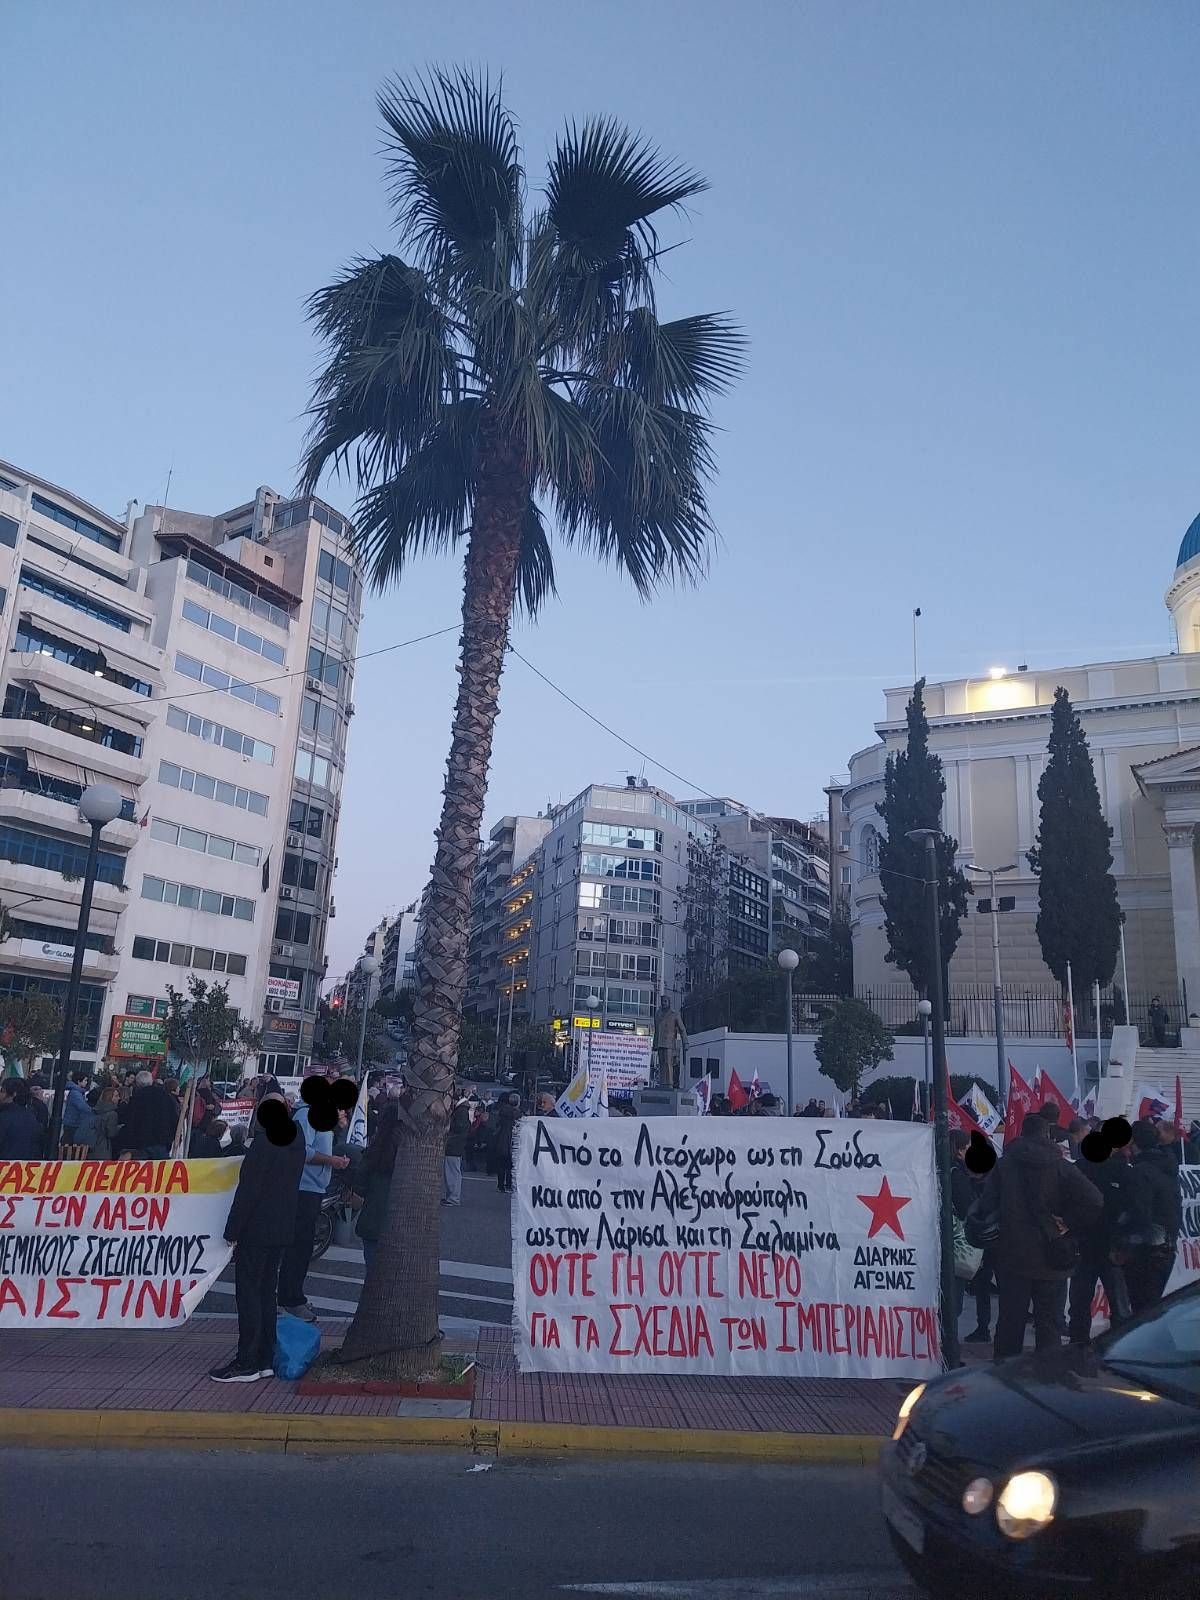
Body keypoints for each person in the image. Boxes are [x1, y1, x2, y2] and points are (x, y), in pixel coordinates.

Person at [981, 1108, 1102, 1359]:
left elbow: (986, 1206)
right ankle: (1047, 1375)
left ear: (1022, 1134)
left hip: (1012, 1254)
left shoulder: (1003, 1166)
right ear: (1047, 1134)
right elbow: (1094, 1199)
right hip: (1052, 1254)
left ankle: (1005, 1373)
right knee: (1049, 1325)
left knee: (1010, 1321)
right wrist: (1068, 1222)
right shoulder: (1060, 1166)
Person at [209, 1093, 305, 1383]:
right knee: (266, 1293)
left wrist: (232, 1230)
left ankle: (247, 1361)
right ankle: (265, 1358)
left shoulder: (263, 1145)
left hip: (257, 1229)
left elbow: (248, 1191)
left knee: (249, 1293)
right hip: (282, 1227)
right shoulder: (296, 1138)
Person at [276, 1092, 349, 1322]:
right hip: (304, 1188)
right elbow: (302, 1150)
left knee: (304, 1246)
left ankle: (293, 1294)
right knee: (299, 1246)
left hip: (313, 1187)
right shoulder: (306, 1116)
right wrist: (331, 1161)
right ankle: (291, 1298)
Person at [1068, 1129, 1132, 1342]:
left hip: (1093, 1245)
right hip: (1102, 1246)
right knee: (1118, 1306)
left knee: (1082, 1303)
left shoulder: (1079, 1170)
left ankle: (1079, 1345)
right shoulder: (1120, 1170)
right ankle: (1116, 1345)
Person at [1122, 1118, 1182, 1314]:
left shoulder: (1141, 1172)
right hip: (1167, 1246)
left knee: (1143, 1312)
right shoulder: (1168, 1165)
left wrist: (1121, 1241)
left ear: (1134, 1142)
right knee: (1152, 1310)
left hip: (1146, 1251)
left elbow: (1139, 1213)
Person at [354, 1101, 402, 1270]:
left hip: (373, 1219)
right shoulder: (409, 1154)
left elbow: (359, 1186)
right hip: (401, 1223)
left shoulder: (375, 1152)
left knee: (373, 1272)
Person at [116, 1070, 181, 1157]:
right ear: (151, 1081)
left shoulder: (137, 1098)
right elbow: (174, 1118)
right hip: (162, 1141)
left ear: (137, 1083)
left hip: (141, 1142)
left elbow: (130, 1120)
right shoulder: (165, 1096)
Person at [0, 1079, 43, 1158]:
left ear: (13, 1094)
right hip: (25, 1164)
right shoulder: (32, 1118)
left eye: (2, 1091)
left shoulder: (4, 1117)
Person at [443, 1090, 471, 1207]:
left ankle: (453, 1197)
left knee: (452, 1172)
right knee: (453, 1171)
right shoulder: (463, 1111)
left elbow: (459, 1127)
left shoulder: (461, 1112)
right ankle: (452, 1196)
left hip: (454, 1145)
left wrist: (448, 1129)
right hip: (456, 1145)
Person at [62, 1071, 98, 1152]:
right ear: (79, 1081)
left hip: (72, 1121)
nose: (86, 1082)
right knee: (69, 1146)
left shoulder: (78, 1092)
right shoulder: (76, 1093)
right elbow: (82, 1107)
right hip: (72, 1123)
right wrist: (93, 1111)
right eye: (85, 1080)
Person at [494, 1093, 521, 1193]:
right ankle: (509, 1185)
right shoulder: (517, 1114)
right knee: (510, 1166)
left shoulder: (502, 1111)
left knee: (501, 1165)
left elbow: (497, 1124)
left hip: (501, 1139)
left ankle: (500, 1185)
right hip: (512, 1141)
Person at [90, 1084, 122, 1159]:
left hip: (90, 1146)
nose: (119, 1098)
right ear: (110, 1097)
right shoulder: (112, 1114)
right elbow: (111, 1133)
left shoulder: (95, 1110)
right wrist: (118, 1128)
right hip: (103, 1148)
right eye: (116, 1096)